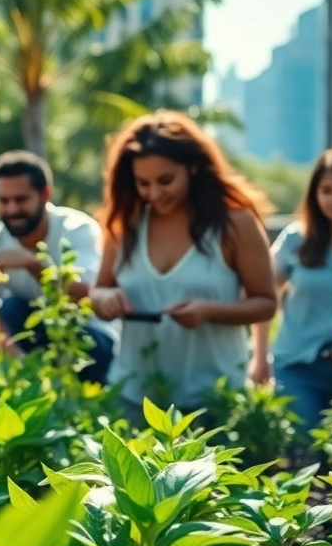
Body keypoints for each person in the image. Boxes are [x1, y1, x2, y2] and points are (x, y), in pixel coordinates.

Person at [90, 111, 276, 422]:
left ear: (192, 166)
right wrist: (102, 300)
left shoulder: (236, 224)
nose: (154, 193)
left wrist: (209, 311)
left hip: (214, 401)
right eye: (143, 183)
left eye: (165, 180)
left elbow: (266, 304)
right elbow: (100, 291)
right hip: (135, 398)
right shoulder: (125, 225)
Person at [250, 147, 332, 430]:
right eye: (327, 190)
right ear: (314, 196)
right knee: (303, 459)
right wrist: (260, 357)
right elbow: (263, 294)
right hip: (297, 369)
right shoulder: (296, 240)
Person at [0, 150, 115, 382]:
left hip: (89, 336)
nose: (12, 210)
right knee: (8, 309)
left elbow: (88, 297)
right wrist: (21, 366)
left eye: (21, 199)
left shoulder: (78, 230)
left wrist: (35, 266)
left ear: (45, 194)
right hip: (38, 340)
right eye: (4, 201)